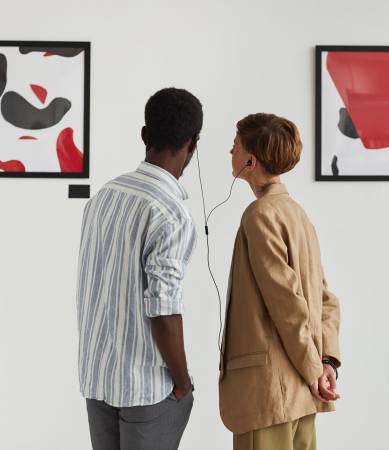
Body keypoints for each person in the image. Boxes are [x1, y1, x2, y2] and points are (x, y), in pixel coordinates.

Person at [76, 87, 202, 450]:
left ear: (145, 135)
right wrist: (182, 383)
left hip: (98, 379)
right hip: (147, 388)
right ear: (192, 144)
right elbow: (163, 309)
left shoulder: (104, 196)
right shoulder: (170, 212)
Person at [219, 113, 341, 450]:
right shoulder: (297, 214)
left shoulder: (260, 216)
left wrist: (316, 368)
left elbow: (286, 303)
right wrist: (326, 362)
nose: (229, 153)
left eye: (233, 148)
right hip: (301, 389)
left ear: (250, 161)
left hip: (269, 393)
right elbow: (325, 298)